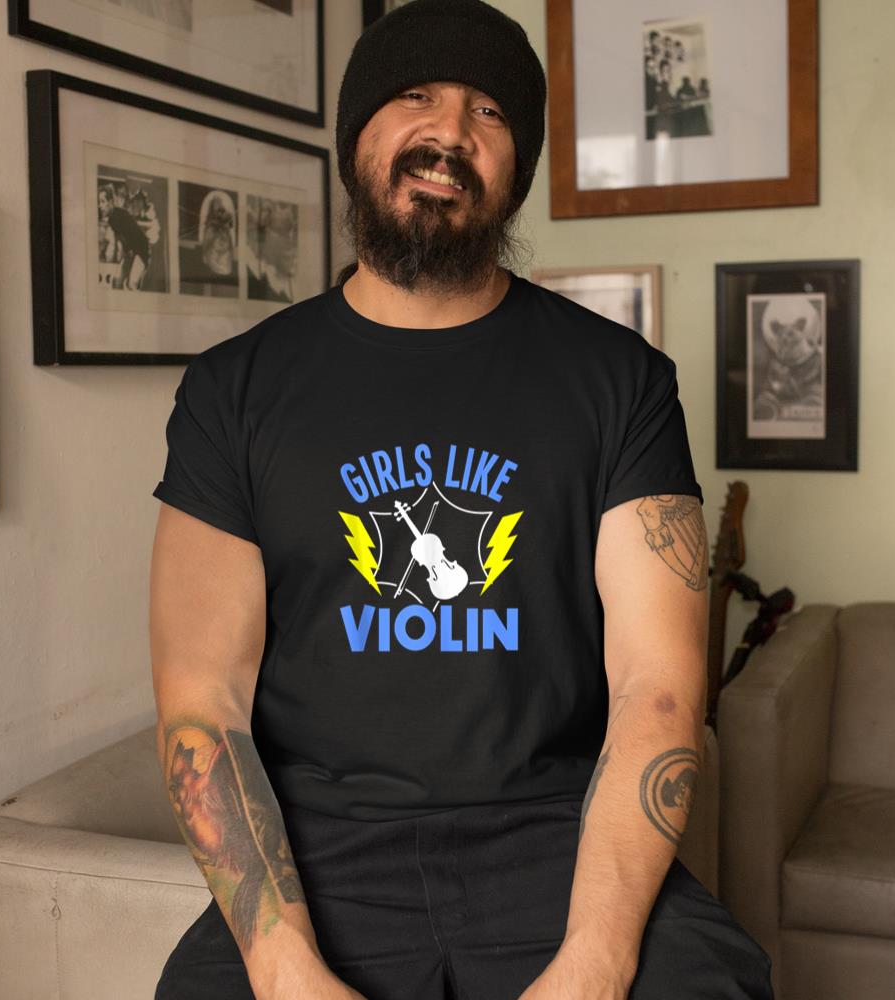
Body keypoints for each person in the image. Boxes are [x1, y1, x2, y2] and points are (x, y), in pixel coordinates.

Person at [149, 2, 775, 999]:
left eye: (488, 111)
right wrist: (281, 965)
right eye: (415, 97)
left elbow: (657, 687)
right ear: (356, 137)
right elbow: (202, 701)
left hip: (558, 837)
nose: (449, 132)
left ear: (516, 168)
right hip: (320, 851)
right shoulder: (233, 390)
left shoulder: (622, 382)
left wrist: (596, 959)